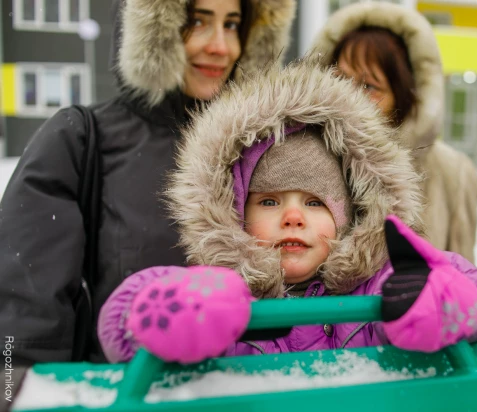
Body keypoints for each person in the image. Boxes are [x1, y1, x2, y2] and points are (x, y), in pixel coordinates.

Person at [97, 60, 477, 364]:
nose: (292, 217)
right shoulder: (218, 298)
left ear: (350, 216)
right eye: (269, 202)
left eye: (315, 202)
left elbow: (470, 295)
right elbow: (122, 319)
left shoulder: (376, 289)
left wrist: (434, 296)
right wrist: (171, 310)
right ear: (233, 213)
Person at [0, 0, 296, 364]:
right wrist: (20, 390)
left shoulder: (267, 147)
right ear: (151, 30)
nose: (221, 46)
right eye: (197, 21)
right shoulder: (80, 139)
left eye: (232, 24)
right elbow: (28, 315)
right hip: (126, 395)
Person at [311, 3, 477, 263]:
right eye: (339, 79)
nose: (349, 96)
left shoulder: (452, 173)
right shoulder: (299, 156)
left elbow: (464, 283)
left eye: (369, 86)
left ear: (403, 99)